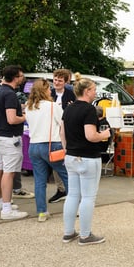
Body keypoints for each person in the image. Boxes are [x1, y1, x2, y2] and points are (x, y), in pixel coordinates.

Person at [60, 73, 111, 245]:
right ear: (87, 91)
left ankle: (68, 232)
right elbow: (91, 136)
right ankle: (85, 235)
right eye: (94, 90)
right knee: (88, 197)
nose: (96, 93)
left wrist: (68, 149)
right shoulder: (89, 109)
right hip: (88, 157)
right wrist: (103, 134)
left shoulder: (68, 108)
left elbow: (62, 132)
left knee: (72, 194)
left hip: (71, 156)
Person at [24, 79, 69, 222]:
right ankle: (76, 207)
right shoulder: (53, 106)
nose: (51, 90)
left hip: (34, 145)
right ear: (44, 90)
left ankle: (42, 212)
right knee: (67, 176)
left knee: (39, 180)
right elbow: (62, 125)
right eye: (49, 88)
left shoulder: (28, 107)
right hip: (52, 144)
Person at [0, 65, 29, 220]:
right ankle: (6, 209)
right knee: (9, 172)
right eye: (21, 76)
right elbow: (12, 119)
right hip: (10, 137)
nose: (22, 78)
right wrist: (25, 116)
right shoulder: (11, 94)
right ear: (15, 77)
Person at [48, 68, 76, 204]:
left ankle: (72, 190)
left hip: (68, 131)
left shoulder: (71, 94)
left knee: (69, 160)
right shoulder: (49, 94)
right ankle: (61, 189)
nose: (56, 82)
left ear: (66, 82)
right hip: (52, 131)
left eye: (60, 80)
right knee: (56, 160)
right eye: (55, 79)